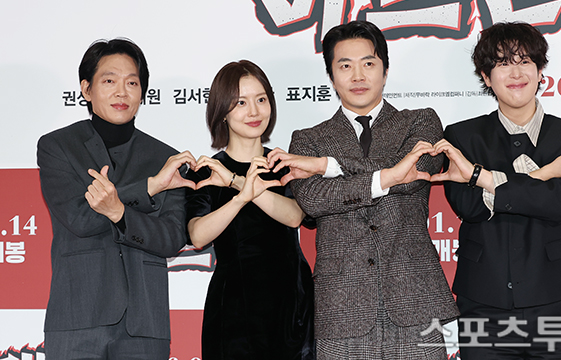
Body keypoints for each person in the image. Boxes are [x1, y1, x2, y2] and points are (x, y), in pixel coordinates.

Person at [268, 21, 458, 360]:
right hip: (342, 307)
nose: (358, 76)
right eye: (345, 66)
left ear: (385, 71)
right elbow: (313, 201)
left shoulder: (421, 122)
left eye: (368, 63)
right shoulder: (307, 140)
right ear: (331, 76)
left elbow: (414, 174)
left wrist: (328, 166)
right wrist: (389, 175)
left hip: (415, 301)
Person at [430, 22, 561, 359]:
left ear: (540, 70)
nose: (516, 73)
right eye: (503, 63)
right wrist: (547, 172)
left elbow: (558, 204)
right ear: (486, 76)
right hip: (484, 302)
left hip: (555, 301)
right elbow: (470, 207)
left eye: (524, 61)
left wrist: (481, 177)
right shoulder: (462, 138)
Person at [37, 39, 195, 359]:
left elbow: (171, 239)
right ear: (87, 89)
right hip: (77, 318)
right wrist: (149, 188)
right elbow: (80, 219)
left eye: (132, 83)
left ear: (143, 92)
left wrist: (119, 212)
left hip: (144, 323)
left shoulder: (166, 159)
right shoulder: (58, 147)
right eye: (109, 81)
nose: (122, 92)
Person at [185, 60, 315, 360]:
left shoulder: (285, 164)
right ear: (223, 111)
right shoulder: (207, 170)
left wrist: (238, 182)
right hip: (235, 304)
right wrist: (239, 198)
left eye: (261, 99)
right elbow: (198, 235)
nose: (254, 111)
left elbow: (295, 215)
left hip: (290, 302)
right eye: (241, 102)